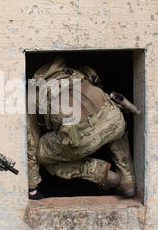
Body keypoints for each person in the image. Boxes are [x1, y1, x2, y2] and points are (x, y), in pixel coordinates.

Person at [27, 56, 136, 199]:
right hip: (114, 120)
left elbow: (31, 142)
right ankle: (128, 181)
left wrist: (32, 186)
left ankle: (98, 172)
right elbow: (97, 81)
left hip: (81, 139)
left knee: (42, 153)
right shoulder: (74, 72)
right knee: (115, 122)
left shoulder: (32, 94)